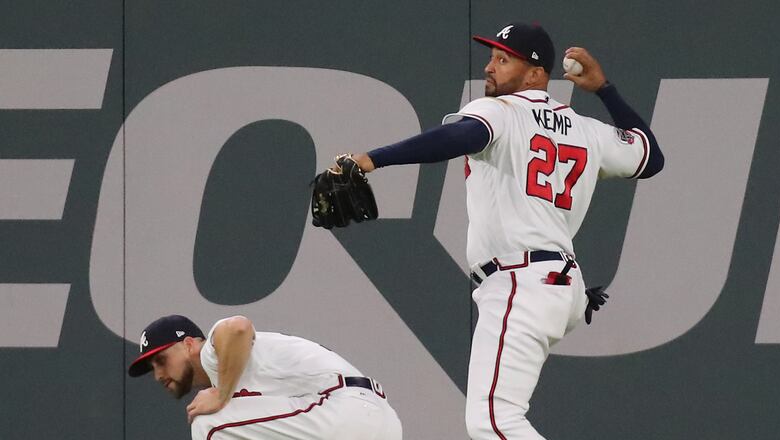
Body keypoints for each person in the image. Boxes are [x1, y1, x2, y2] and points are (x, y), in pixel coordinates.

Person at [334, 22, 664, 439]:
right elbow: (650, 156)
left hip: (520, 281)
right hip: (558, 285)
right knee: (497, 420)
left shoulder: (500, 111)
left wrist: (371, 159)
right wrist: (604, 89)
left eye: (504, 59)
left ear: (535, 74)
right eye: (492, 56)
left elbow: (462, 135)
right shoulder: (586, 130)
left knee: (493, 422)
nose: (490, 67)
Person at [128, 314, 402, 440]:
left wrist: (222, 395)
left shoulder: (211, 354)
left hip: (343, 411)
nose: (158, 374)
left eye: (161, 360)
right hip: (382, 423)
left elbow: (238, 327)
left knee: (208, 423)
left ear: (189, 345)